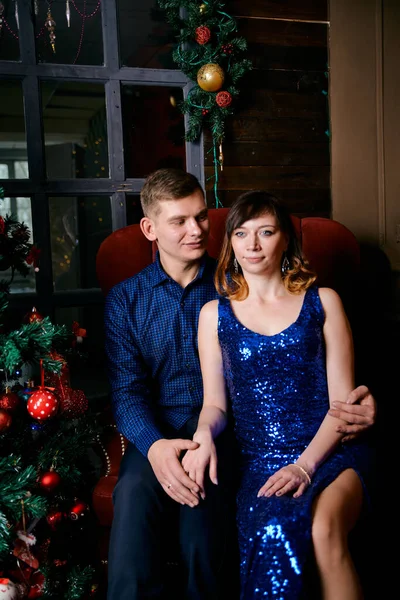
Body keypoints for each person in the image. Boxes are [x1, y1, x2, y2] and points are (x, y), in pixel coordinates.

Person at [103, 170, 377, 600]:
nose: (196, 231)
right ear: (150, 229)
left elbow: (330, 387)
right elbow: (127, 392)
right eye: (180, 221)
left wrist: (356, 407)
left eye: (202, 218)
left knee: (203, 529)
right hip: (165, 428)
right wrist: (156, 446)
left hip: (230, 436)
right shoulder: (128, 299)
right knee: (134, 496)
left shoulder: (231, 283)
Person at [182, 190, 375, 599]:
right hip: (262, 464)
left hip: (332, 452)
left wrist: (305, 467)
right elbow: (215, 404)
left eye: (265, 232)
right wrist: (202, 433)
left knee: (324, 531)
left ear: (285, 238)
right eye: (241, 233)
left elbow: (344, 409)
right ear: (230, 243)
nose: (252, 244)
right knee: (273, 532)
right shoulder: (213, 315)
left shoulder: (323, 303)